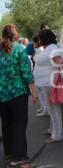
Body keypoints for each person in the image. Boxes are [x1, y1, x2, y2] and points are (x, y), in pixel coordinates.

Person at [0, 24, 38, 168]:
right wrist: (34, 92)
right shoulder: (20, 50)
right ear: (15, 35)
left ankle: (9, 153)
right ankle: (20, 158)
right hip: (17, 93)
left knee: (6, 124)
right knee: (19, 125)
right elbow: (26, 73)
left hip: (2, 95)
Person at [34, 29, 63, 143]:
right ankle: (52, 130)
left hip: (48, 83)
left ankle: (57, 135)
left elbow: (60, 61)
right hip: (45, 83)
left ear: (44, 38)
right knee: (51, 110)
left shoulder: (52, 48)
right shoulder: (49, 48)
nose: (38, 39)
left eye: (40, 37)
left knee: (53, 110)